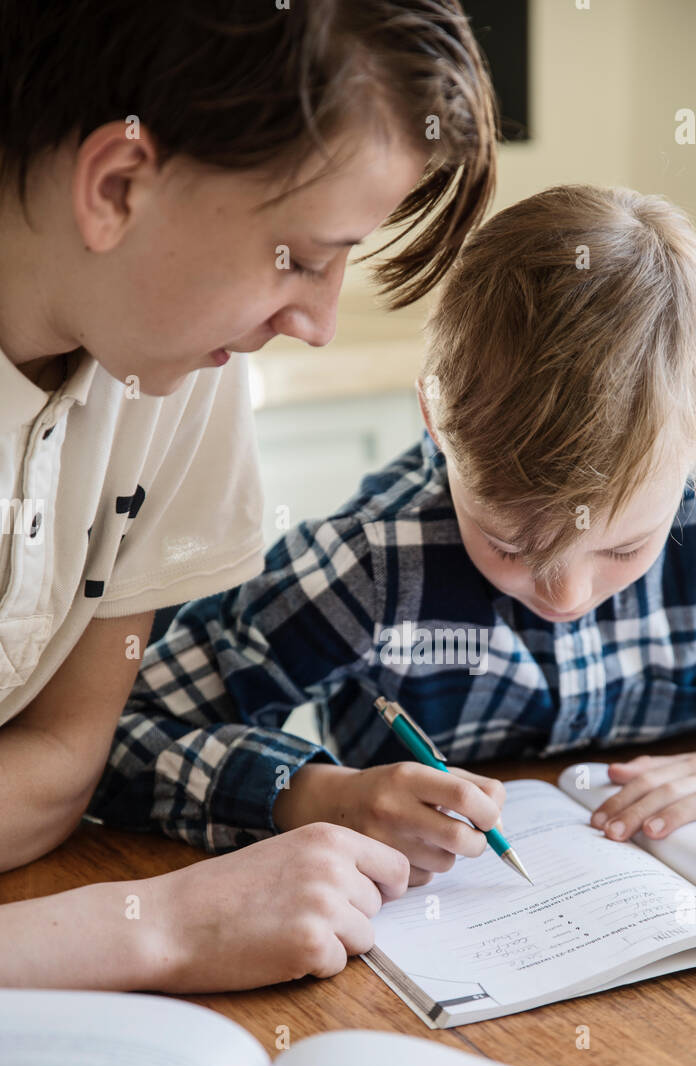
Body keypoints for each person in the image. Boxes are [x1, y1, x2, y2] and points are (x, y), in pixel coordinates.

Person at [92, 185, 696, 893]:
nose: (565, 595)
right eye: (510, 544)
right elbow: (115, 740)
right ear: (435, 420)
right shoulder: (372, 564)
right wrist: (316, 794)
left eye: (623, 549)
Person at [0, 0, 499, 991]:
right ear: (118, 186)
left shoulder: (172, 372)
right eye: (303, 258)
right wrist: (163, 926)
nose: (318, 320)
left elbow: (63, 760)